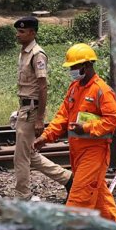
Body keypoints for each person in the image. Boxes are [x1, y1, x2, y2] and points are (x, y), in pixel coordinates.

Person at [33, 43, 116, 223]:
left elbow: (113, 119)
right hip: (78, 153)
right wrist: (46, 136)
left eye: (74, 66)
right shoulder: (75, 87)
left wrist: (87, 128)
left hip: (94, 153)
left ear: (87, 65)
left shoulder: (101, 90)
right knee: (100, 201)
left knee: (78, 200)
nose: (72, 70)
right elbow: (63, 116)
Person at [12, 16, 73, 201]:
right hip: (25, 108)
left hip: (31, 110)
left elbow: (42, 86)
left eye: (22, 31)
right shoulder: (24, 52)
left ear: (33, 32)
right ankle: (68, 179)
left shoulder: (37, 54)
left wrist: (40, 118)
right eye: (18, 31)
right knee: (30, 154)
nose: (18, 34)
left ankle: (22, 197)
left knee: (21, 158)